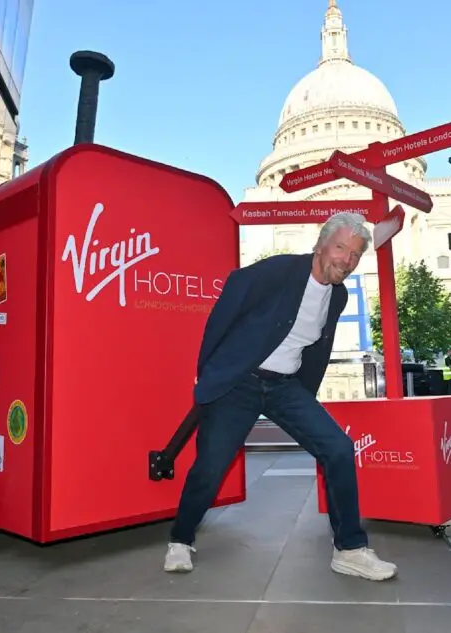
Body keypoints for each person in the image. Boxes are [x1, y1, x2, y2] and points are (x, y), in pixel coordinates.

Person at [164, 212, 397, 581]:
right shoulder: (278, 272)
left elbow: (315, 345)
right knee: (210, 465)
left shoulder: (337, 295)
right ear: (321, 246)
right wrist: (209, 371)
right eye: (340, 248)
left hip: (286, 387)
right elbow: (227, 308)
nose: (346, 260)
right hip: (239, 383)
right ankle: (180, 538)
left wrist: (306, 392)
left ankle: (350, 549)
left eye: (354, 255)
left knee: (338, 448)